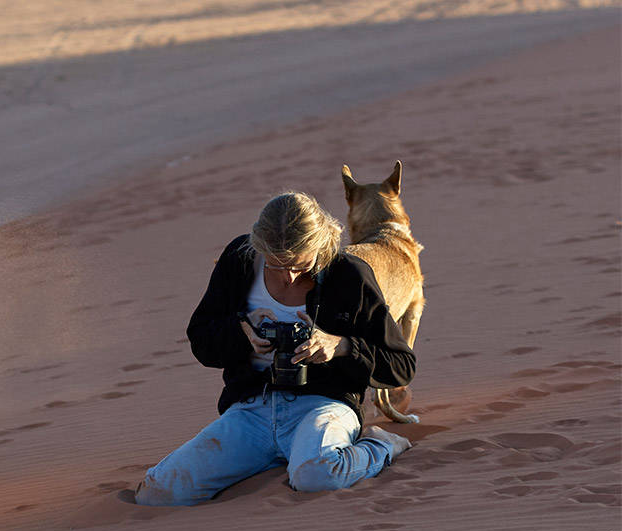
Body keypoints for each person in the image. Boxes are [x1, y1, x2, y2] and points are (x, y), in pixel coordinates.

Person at [135, 191, 414, 506]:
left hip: (323, 407)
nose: (290, 276)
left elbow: (401, 365)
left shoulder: (349, 275)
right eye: (276, 264)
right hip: (251, 410)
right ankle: (280, 456)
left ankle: (381, 446)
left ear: (321, 244)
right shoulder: (239, 262)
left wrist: (342, 346)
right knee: (157, 492)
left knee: (316, 477)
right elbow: (201, 342)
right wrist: (240, 331)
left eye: (300, 264)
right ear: (258, 247)